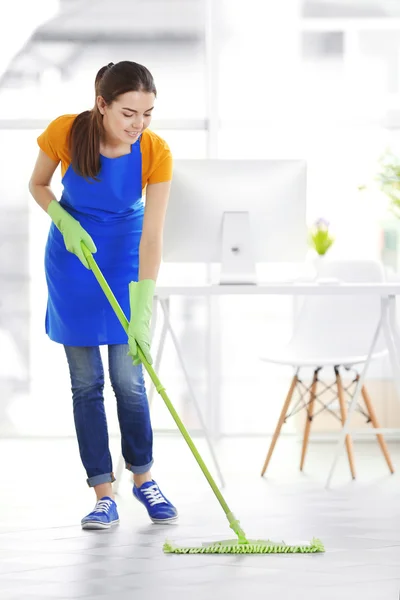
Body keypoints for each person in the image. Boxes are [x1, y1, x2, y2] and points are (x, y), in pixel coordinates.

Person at [28, 61, 177, 529]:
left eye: (148, 113)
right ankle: (102, 493)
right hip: (73, 260)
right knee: (86, 384)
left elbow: (152, 237)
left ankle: (144, 479)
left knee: (130, 382)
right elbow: (38, 185)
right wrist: (63, 220)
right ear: (102, 105)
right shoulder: (66, 133)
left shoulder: (155, 151)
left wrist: (143, 308)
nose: (139, 124)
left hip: (124, 258)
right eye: (129, 113)